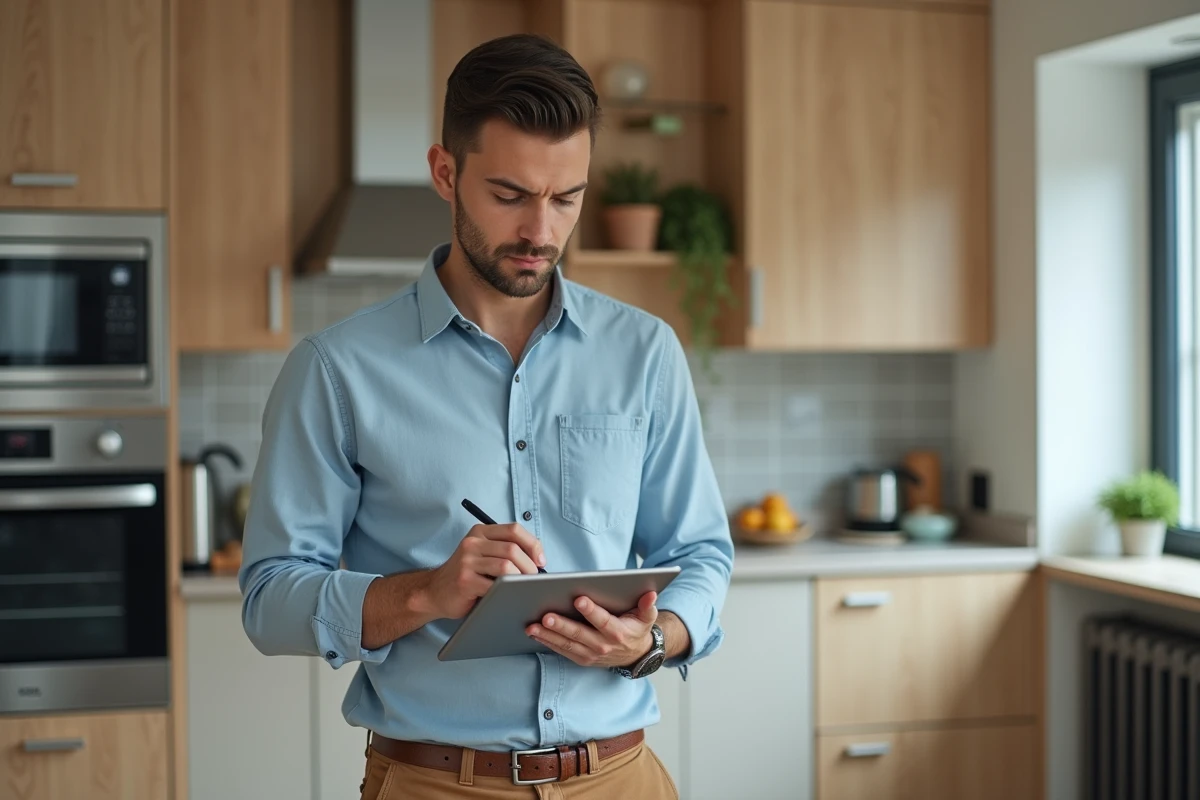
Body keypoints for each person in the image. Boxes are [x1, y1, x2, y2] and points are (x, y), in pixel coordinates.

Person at [239, 32, 733, 799]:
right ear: (446, 173)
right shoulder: (338, 369)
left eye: (566, 198)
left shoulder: (645, 352)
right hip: (433, 783)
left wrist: (651, 640)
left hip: (623, 777)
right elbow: (270, 598)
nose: (541, 231)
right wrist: (425, 593)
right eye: (509, 196)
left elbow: (701, 553)